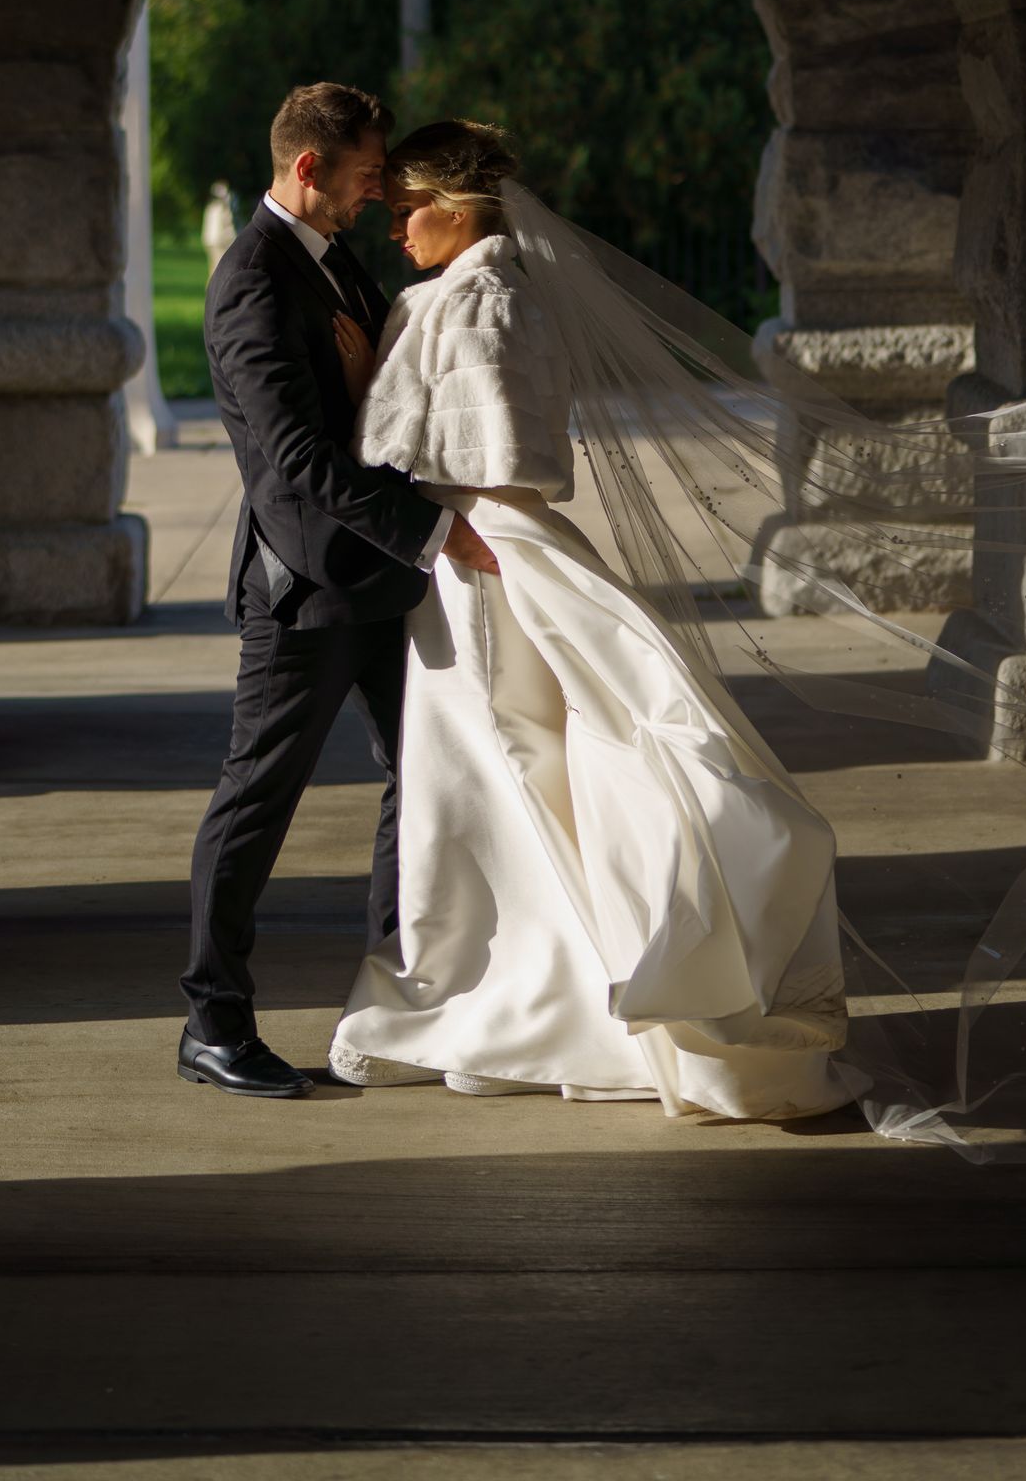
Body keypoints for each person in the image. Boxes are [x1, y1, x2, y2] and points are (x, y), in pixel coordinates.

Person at [328, 118, 853, 1118]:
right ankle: (512, 988)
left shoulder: (479, 299)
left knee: (505, 766)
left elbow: (480, 452)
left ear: (453, 205)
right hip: (472, 546)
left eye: (404, 213)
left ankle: (532, 999)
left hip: (476, 549)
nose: (394, 231)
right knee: (495, 767)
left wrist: (366, 389)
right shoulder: (478, 288)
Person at [178, 81, 497, 1100]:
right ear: (308, 168)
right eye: (365, 176)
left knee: (426, 779)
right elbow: (300, 461)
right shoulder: (252, 284)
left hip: (381, 581)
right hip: (305, 591)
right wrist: (439, 531)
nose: (375, 197)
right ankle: (212, 1021)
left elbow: (374, 409)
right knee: (257, 801)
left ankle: (402, 996)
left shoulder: (332, 258)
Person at [200, 179, 238, 275]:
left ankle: (212, 289)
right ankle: (216, 289)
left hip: (211, 240)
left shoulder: (211, 207)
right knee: (219, 270)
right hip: (220, 241)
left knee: (214, 269)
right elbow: (228, 225)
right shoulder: (222, 208)